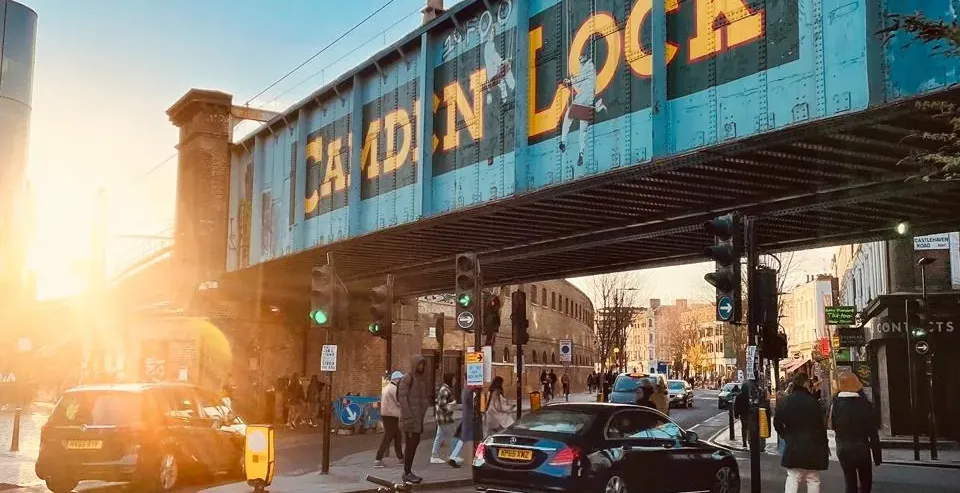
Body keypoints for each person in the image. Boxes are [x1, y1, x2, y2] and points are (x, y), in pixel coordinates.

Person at [775, 373, 830, 493]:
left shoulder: (786, 401)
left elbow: (777, 423)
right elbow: (821, 427)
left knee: (793, 477)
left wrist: (786, 435)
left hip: (794, 444)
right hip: (813, 445)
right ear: (805, 384)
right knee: (813, 479)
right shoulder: (813, 402)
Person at [830, 371, 881, 493]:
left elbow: (833, 426)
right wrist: (877, 454)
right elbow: (873, 432)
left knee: (850, 482)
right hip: (861, 448)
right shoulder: (865, 404)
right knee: (865, 481)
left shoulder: (835, 404)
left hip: (843, 449)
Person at [397, 356, 429, 484]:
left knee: (413, 445)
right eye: (420, 364)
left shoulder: (421, 380)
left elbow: (423, 399)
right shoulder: (407, 379)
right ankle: (407, 473)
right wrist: (409, 417)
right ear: (415, 365)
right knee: (410, 446)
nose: (422, 367)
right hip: (410, 420)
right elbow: (402, 399)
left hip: (417, 419)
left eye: (423, 365)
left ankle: (408, 472)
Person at [374, 371, 404, 468]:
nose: (401, 381)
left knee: (397, 436)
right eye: (400, 379)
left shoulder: (387, 388)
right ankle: (378, 459)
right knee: (388, 437)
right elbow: (399, 402)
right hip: (391, 415)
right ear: (396, 379)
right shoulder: (394, 389)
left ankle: (401, 458)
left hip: (387, 414)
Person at [446, 376, 474, 468]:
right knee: (464, 438)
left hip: (466, 417)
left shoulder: (464, 390)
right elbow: (473, 404)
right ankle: (453, 457)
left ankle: (453, 456)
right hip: (470, 418)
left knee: (462, 438)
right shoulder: (470, 391)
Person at [431, 373, 457, 464]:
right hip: (444, 418)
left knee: (440, 436)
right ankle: (451, 456)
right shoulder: (445, 390)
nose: (455, 381)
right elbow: (442, 405)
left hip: (443, 418)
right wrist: (451, 405)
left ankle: (435, 455)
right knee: (452, 436)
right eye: (453, 379)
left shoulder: (445, 389)